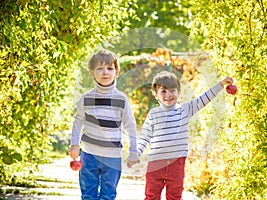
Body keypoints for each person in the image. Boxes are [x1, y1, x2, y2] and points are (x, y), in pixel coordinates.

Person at [132, 71, 233, 200]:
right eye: (163, 91)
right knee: (151, 196)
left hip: (176, 163)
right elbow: (145, 137)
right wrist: (137, 153)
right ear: (156, 95)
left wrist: (221, 84)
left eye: (172, 90)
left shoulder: (185, 110)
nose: (168, 95)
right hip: (156, 163)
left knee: (175, 196)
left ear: (178, 92)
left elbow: (204, 98)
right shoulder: (153, 114)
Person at [69, 49, 138, 200]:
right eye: (100, 68)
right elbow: (78, 121)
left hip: (112, 157)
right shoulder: (86, 98)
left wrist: (133, 150)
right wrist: (75, 144)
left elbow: (130, 126)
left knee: (108, 195)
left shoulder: (121, 99)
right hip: (89, 155)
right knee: (88, 194)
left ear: (116, 72)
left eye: (109, 68)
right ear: (92, 73)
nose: (105, 72)